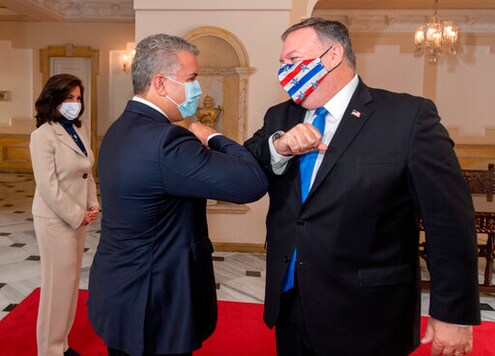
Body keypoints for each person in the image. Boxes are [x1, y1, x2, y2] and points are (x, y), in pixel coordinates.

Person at [244, 17, 480, 356]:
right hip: (291, 303)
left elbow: (449, 222)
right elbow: (248, 160)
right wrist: (278, 147)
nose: (283, 72)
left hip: (369, 313)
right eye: (281, 63)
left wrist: (454, 314)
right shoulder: (279, 117)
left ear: (333, 56)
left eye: (292, 61)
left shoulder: (408, 118)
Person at [87, 33, 268, 356]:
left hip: (118, 287)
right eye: (191, 78)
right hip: (154, 300)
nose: (197, 88)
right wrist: (211, 135)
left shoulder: (120, 128)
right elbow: (250, 183)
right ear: (160, 83)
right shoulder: (167, 140)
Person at [30, 73, 99, 356]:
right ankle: (49, 350)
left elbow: (86, 172)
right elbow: (47, 185)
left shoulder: (77, 130)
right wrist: (76, 214)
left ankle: (62, 343)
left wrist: (92, 205)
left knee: (70, 284)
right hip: (54, 219)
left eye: (78, 98)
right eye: (69, 97)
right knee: (56, 287)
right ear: (53, 99)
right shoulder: (42, 135)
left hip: (77, 217)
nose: (74, 103)